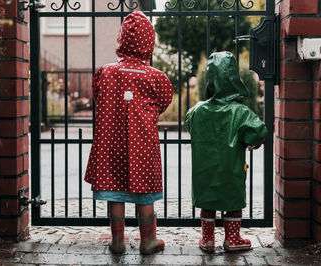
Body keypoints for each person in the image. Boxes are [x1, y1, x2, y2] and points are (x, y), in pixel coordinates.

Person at [84, 11, 173, 255]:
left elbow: (97, 97)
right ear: (149, 43)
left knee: (115, 192)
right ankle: (148, 241)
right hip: (143, 144)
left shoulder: (105, 72)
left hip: (111, 142)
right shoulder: (157, 78)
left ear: (121, 39)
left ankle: (117, 241)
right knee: (145, 195)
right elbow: (164, 103)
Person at [184, 51, 268, 252]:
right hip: (231, 167)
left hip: (204, 169)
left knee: (207, 201)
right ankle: (232, 239)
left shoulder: (196, 110)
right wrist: (252, 143)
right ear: (233, 79)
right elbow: (258, 133)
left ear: (210, 79)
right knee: (233, 202)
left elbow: (189, 125)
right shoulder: (241, 112)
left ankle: (208, 239)